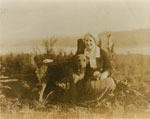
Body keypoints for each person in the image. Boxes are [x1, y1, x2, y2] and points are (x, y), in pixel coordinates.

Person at [76, 33, 116, 102]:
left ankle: (100, 99)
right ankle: (94, 100)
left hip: (101, 79)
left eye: (90, 40)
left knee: (111, 82)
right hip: (88, 81)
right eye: (86, 40)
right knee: (90, 87)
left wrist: (104, 74)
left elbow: (109, 67)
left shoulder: (102, 53)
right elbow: (75, 65)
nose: (88, 43)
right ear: (84, 42)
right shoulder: (82, 53)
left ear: (95, 41)